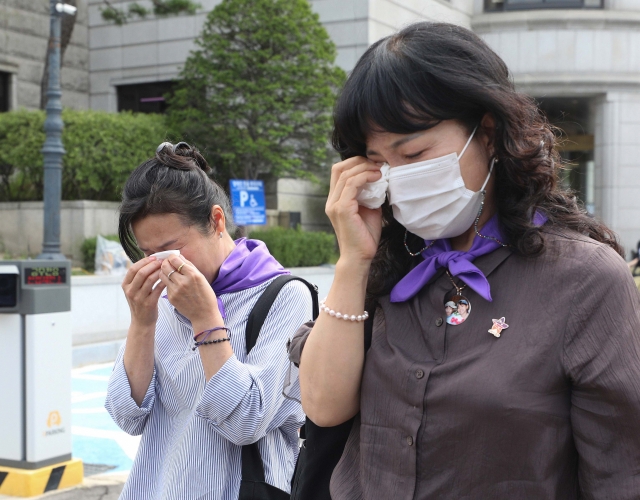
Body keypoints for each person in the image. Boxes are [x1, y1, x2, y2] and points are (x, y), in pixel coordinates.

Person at [289, 22, 640, 499]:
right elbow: (324, 406)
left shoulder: (583, 280)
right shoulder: (389, 262)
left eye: (414, 152)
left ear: (489, 134)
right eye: (380, 162)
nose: (399, 177)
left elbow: (620, 473)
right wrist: (353, 259)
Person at [105, 142, 312, 499]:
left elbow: (246, 422)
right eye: (148, 254)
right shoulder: (165, 304)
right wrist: (142, 322)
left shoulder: (285, 295)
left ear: (216, 221)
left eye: (170, 250)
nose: (161, 265)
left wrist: (206, 319)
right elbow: (128, 416)